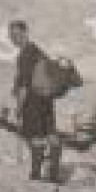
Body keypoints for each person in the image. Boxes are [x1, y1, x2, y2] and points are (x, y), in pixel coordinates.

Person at [8, 19, 61, 182]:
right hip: (47, 99)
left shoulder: (25, 55)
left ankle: (36, 175)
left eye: (15, 35)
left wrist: (19, 107)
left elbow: (24, 84)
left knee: (35, 137)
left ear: (24, 33)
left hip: (32, 101)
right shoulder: (39, 51)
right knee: (51, 134)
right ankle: (53, 174)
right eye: (11, 35)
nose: (12, 38)